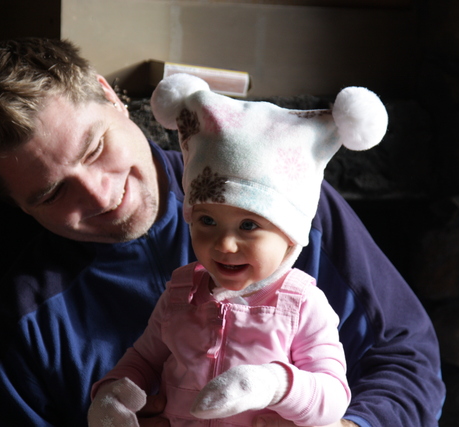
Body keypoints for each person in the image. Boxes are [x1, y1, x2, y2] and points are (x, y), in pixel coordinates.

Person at [0, 38, 445, 427]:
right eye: (52, 194)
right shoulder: (20, 327)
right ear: (18, 206)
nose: (99, 194)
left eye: (94, 148)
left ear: (110, 96)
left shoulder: (281, 200)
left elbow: (408, 357)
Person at [88, 73, 389, 426]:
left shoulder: (302, 304)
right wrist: (110, 394)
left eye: (249, 225)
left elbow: (333, 396)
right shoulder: (180, 294)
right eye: (207, 221)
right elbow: (143, 359)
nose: (224, 244)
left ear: (290, 234)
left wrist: (274, 384)